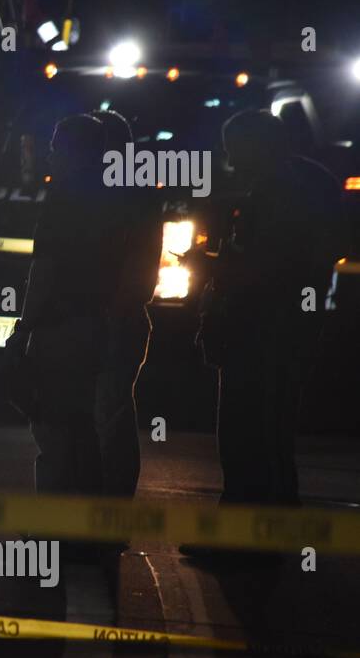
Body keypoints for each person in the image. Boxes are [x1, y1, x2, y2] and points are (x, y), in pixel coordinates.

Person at [198, 109, 348, 504]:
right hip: (289, 327)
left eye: (235, 151)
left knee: (247, 430)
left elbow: (264, 266)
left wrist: (215, 267)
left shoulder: (276, 193)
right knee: (273, 431)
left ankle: (245, 534)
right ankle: (270, 529)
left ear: (257, 147)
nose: (231, 162)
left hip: (262, 329)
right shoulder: (310, 182)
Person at [18, 114, 126, 495]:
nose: (49, 157)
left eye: (55, 148)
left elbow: (44, 270)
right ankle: (85, 530)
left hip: (60, 330)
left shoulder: (62, 202)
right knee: (83, 429)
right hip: (94, 324)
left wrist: (23, 327)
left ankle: (53, 532)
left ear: (73, 152)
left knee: (53, 428)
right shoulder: (113, 200)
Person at [91, 109, 162, 496]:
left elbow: (134, 274)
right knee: (106, 413)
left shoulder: (123, 199)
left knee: (108, 413)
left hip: (113, 321)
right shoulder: (135, 195)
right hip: (114, 319)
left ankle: (107, 513)